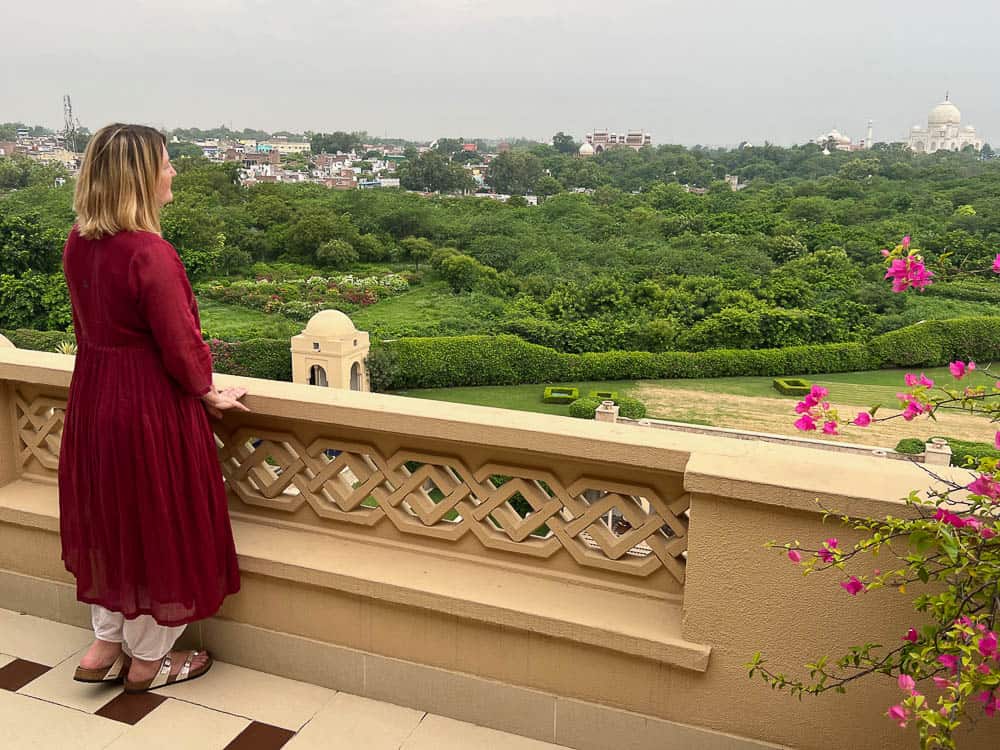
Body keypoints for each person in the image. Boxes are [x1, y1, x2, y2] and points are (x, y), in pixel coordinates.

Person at [60, 123, 248, 693]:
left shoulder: (79, 242)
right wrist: (207, 389)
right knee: (155, 521)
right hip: (146, 404)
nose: (173, 172)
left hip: (94, 397)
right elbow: (182, 346)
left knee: (112, 517)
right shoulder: (151, 254)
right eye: (166, 163)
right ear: (141, 177)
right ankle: (149, 661)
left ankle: (105, 643)